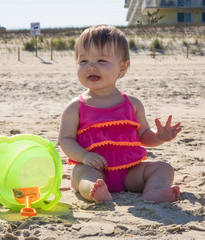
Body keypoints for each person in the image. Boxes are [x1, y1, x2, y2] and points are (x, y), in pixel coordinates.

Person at [58, 25, 182, 204]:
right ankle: (94, 192)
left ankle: (154, 191)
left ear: (122, 68)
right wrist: (84, 156)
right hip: (93, 168)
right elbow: (66, 140)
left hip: (130, 172)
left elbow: (144, 136)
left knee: (163, 168)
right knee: (82, 175)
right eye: (83, 61)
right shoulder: (76, 107)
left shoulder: (133, 104)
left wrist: (159, 136)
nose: (91, 66)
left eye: (101, 60)